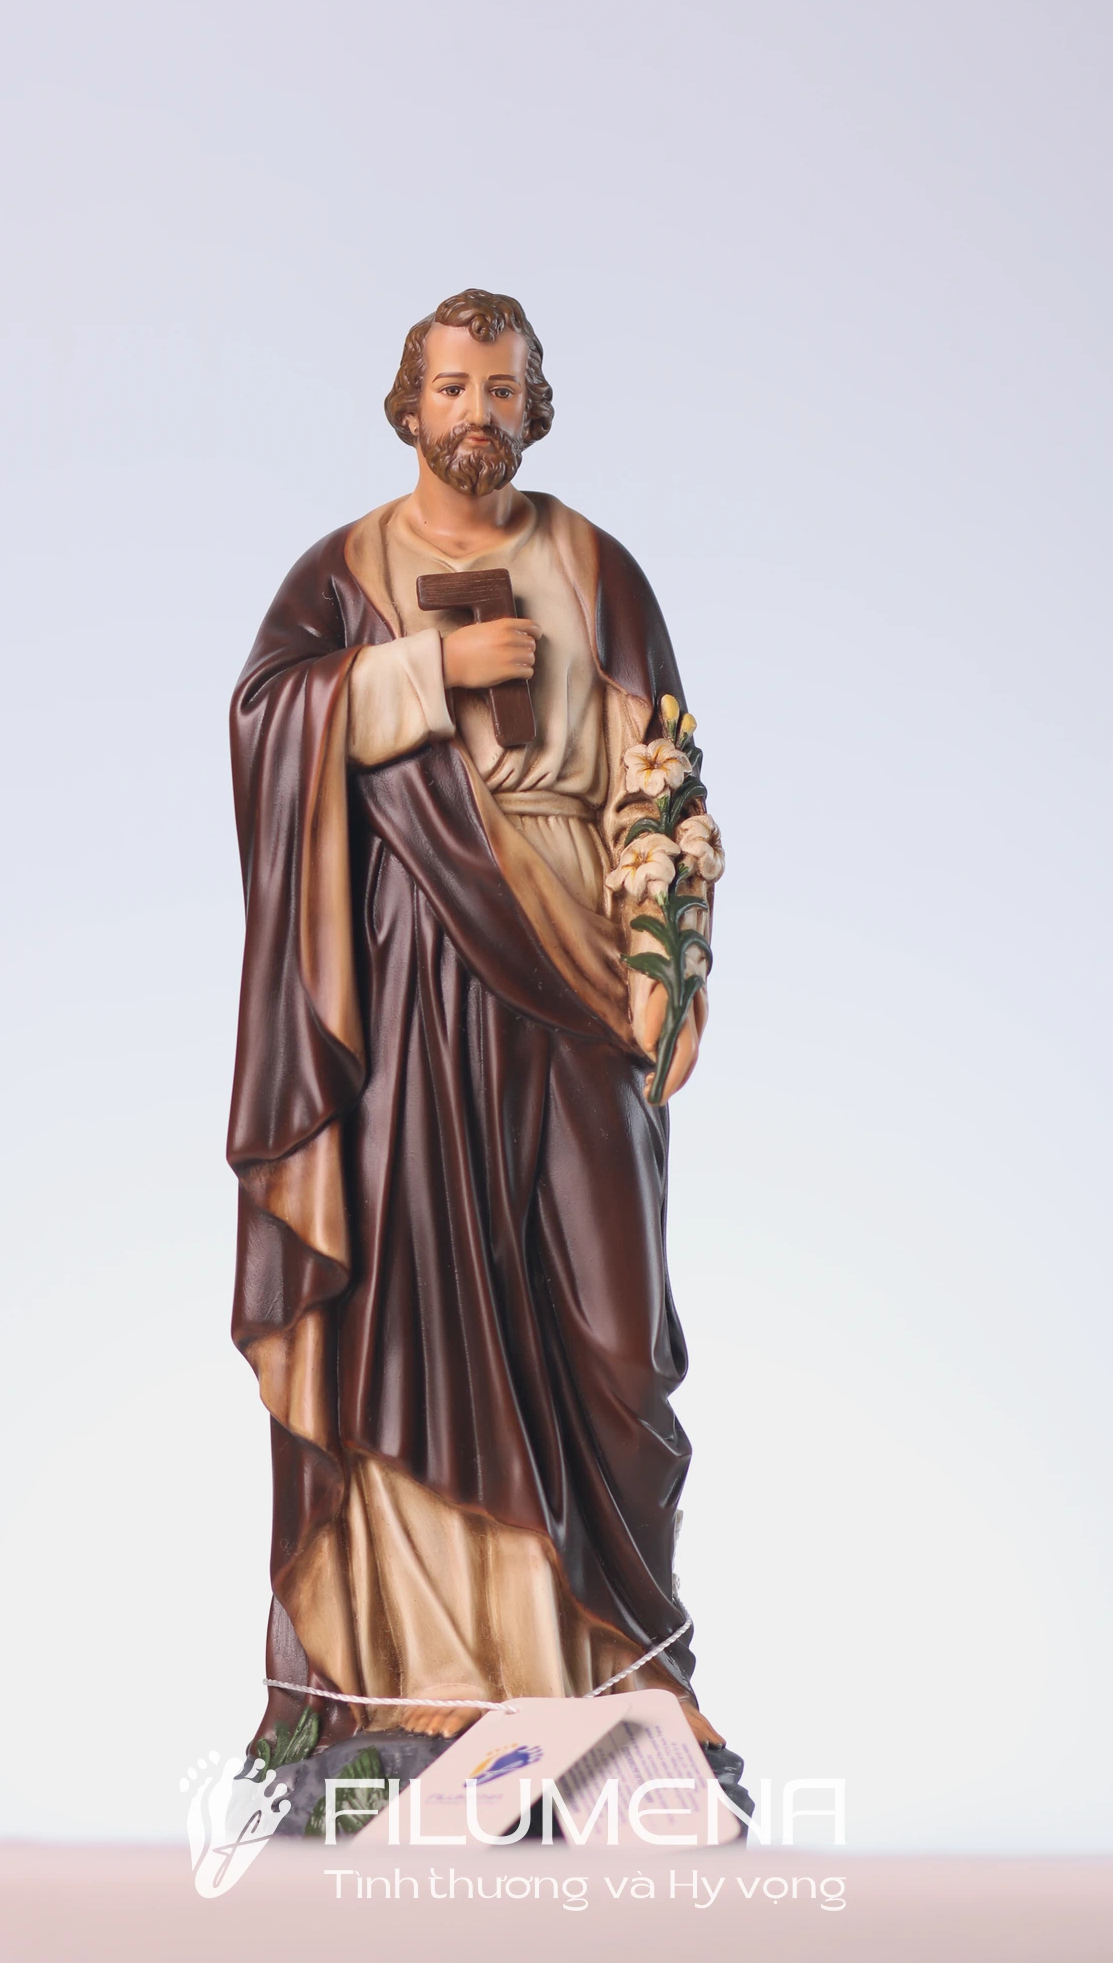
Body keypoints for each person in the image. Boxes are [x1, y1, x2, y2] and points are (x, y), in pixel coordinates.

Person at [228, 288, 725, 1753]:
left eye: (502, 390)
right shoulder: (345, 571)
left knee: (612, 1334)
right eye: (453, 388)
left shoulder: (597, 569)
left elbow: (665, 773)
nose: (478, 415)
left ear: (535, 404)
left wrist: (674, 952)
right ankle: (426, 1667)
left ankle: (631, 1665)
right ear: (410, 403)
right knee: (420, 1307)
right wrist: (426, 672)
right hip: (410, 973)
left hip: (575, 965)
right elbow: (262, 725)